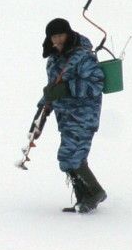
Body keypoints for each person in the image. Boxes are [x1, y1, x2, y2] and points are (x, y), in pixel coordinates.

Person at [38, 18, 108, 213]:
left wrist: (66, 89)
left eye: (61, 35)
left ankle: (95, 192)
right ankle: (83, 198)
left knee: (70, 156)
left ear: (68, 34)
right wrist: (45, 102)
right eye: (54, 37)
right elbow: (54, 88)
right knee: (73, 156)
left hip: (84, 115)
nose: (58, 40)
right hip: (66, 117)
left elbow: (96, 84)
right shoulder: (53, 59)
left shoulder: (82, 57)